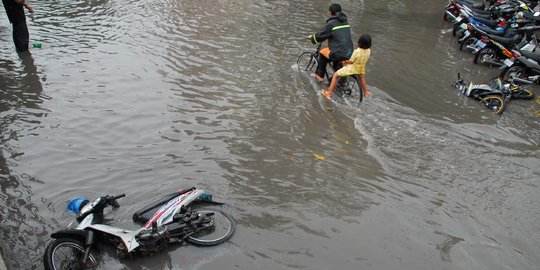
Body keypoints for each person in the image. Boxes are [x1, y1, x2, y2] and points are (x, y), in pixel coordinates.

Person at [308, 3, 354, 82]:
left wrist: (312, 38)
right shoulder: (346, 22)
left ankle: (319, 76)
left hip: (338, 52)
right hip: (349, 51)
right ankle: (340, 81)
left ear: (330, 12)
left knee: (322, 53)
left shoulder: (331, 23)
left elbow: (321, 35)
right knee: (337, 59)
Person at [321, 34, 372, 99]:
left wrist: (344, 62)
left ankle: (329, 93)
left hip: (352, 69)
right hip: (361, 69)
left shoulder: (357, 51)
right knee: (361, 77)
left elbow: (351, 61)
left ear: (359, 42)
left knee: (335, 75)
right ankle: (366, 92)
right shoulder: (368, 51)